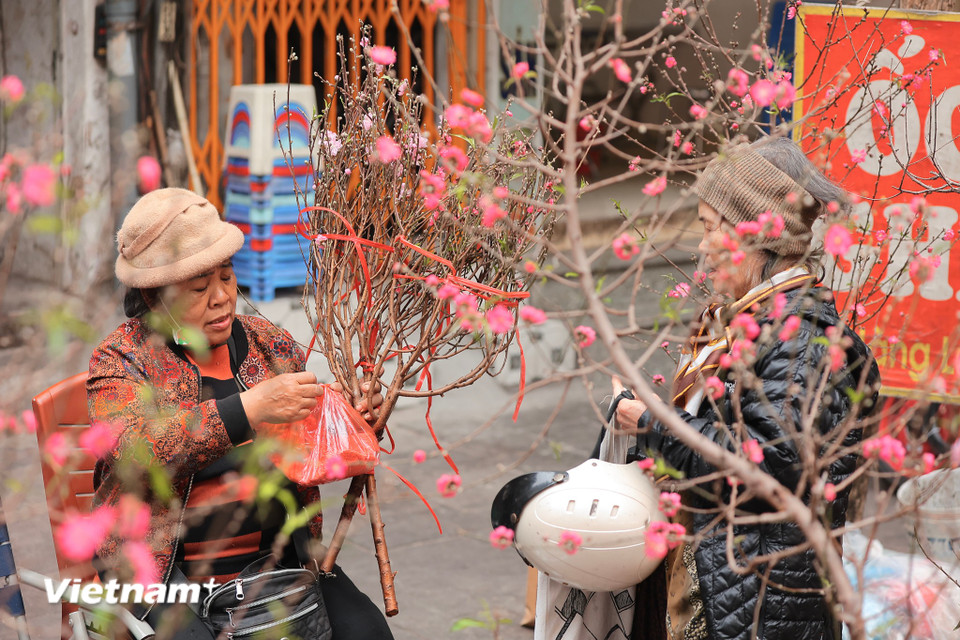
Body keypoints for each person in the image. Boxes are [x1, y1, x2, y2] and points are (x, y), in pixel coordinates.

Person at [87, 187, 394, 639]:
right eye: (198, 287)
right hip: (161, 569)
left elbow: (308, 446)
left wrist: (350, 421)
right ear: (154, 298)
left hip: (279, 558)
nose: (221, 298)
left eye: (227, 277)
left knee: (367, 632)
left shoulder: (270, 344)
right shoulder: (119, 361)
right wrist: (249, 407)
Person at [613, 138, 880, 640]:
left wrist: (655, 425)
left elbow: (768, 467)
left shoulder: (803, 343)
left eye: (711, 229)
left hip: (763, 609)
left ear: (757, 238)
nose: (703, 247)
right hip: (724, 594)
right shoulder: (747, 324)